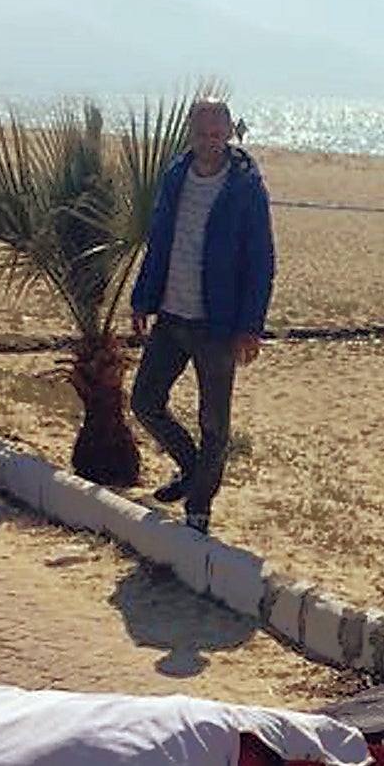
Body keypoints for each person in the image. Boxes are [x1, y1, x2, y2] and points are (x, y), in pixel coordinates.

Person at [129, 99, 275, 535]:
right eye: (202, 131)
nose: (210, 140)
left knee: (214, 422)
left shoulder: (245, 186)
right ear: (191, 131)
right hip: (172, 316)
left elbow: (261, 260)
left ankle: (199, 505)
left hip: (219, 323)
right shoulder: (176, 176)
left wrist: (250, 326)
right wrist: (143, 298)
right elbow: (159, 242)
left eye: (217, 132)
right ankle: (192, 469)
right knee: (145, 402)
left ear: (229, 132)